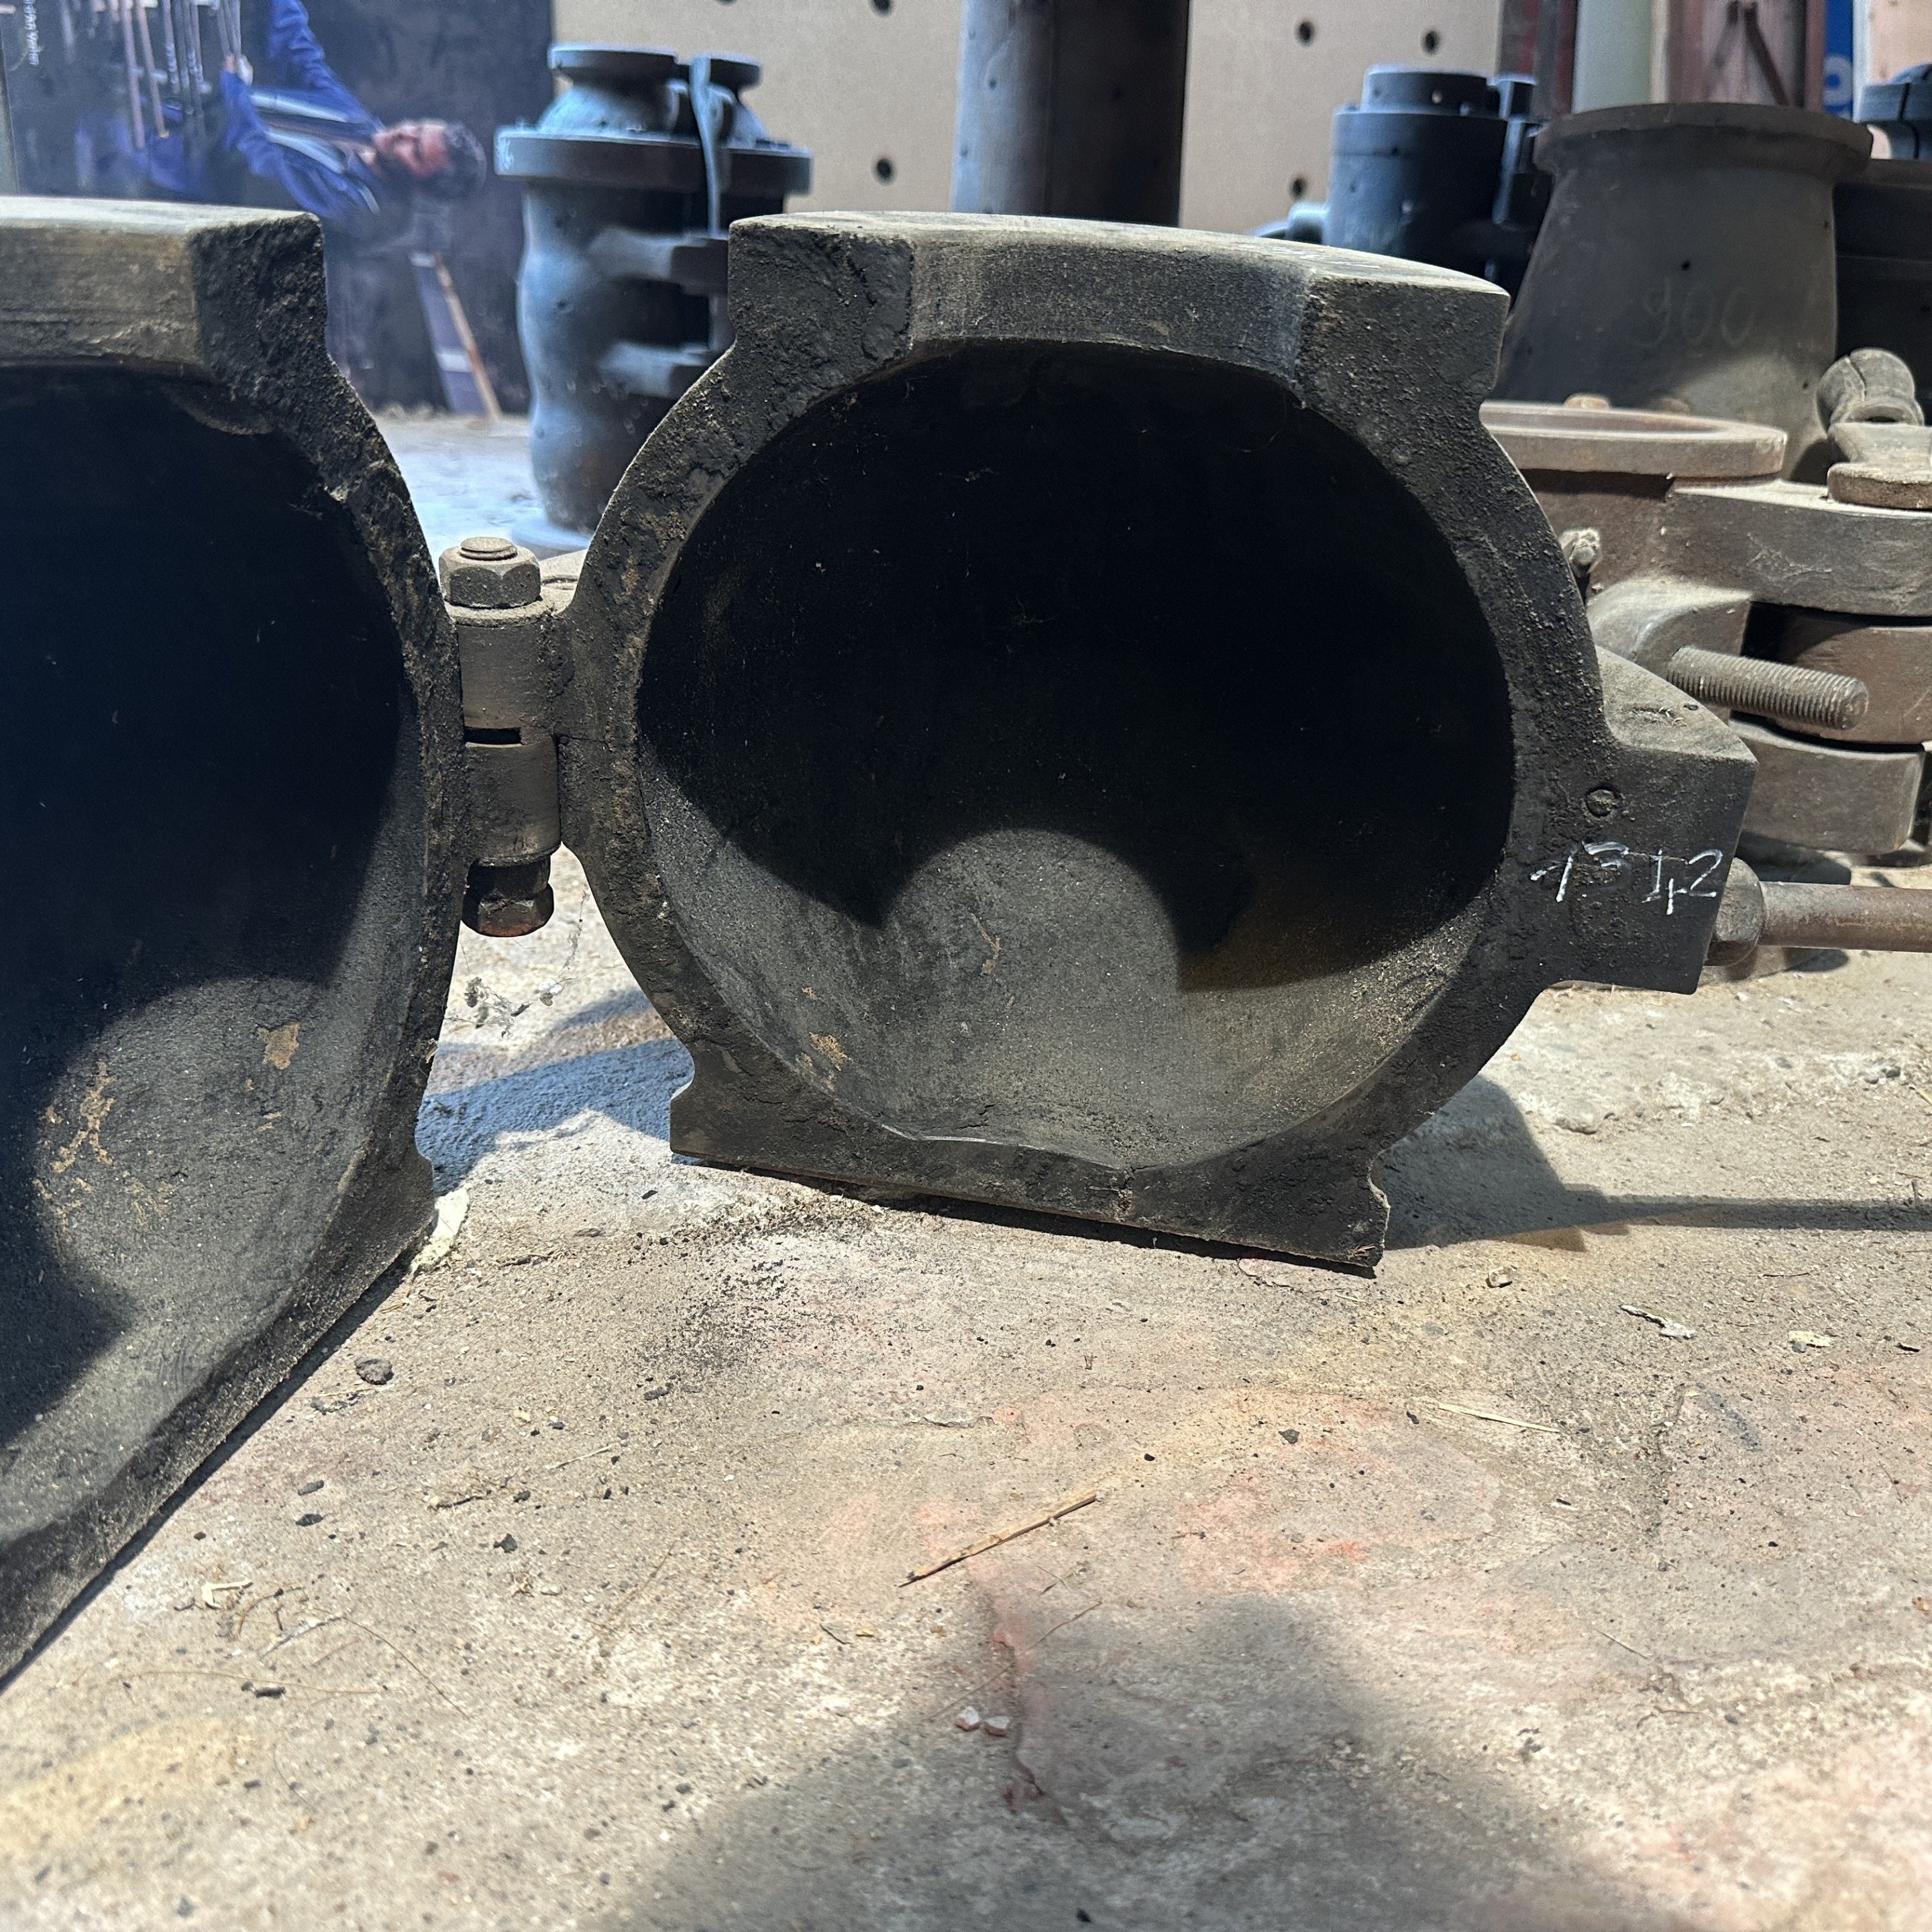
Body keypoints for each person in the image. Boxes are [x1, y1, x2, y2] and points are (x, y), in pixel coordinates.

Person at [123, 0, 484, 237]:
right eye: (416, 127)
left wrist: (235, 90)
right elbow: (299, 53)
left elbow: (255, 172)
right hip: (160, 113)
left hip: (156, 171)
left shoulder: (355, 211)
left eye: (415, 152)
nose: (403, 134)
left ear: (422, 188)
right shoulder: (358, 124)